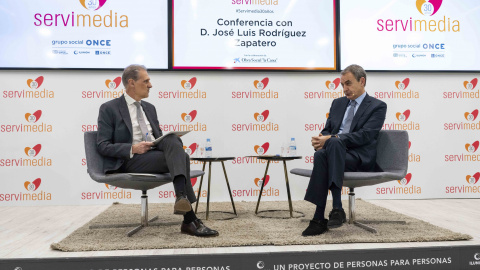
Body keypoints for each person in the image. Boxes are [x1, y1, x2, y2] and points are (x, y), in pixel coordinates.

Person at [96, 64, 218, 237]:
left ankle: (184, 207)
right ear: (131, 82)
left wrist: (163, 141)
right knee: (182, 157)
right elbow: (102, 145)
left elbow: (159, 138)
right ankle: (188, 217)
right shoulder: (109, 108)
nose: (150, 85)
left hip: (152, 154)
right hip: (130, 160)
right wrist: (133, 148)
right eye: (146, 81)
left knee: (173, 140)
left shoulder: (149, 108)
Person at [302, 64, 387, 236]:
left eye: (348, 83)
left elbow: (365, 136)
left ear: (362, 81)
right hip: (335, 155)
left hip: (359, 157)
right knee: (321, 153)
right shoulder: (338, 103)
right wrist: (321, 138)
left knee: (332, 144)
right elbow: (328, 129)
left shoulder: (377, 106)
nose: (344, 89)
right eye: (342, 85)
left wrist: (332, 139)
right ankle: (328, 214)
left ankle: (327, 213)